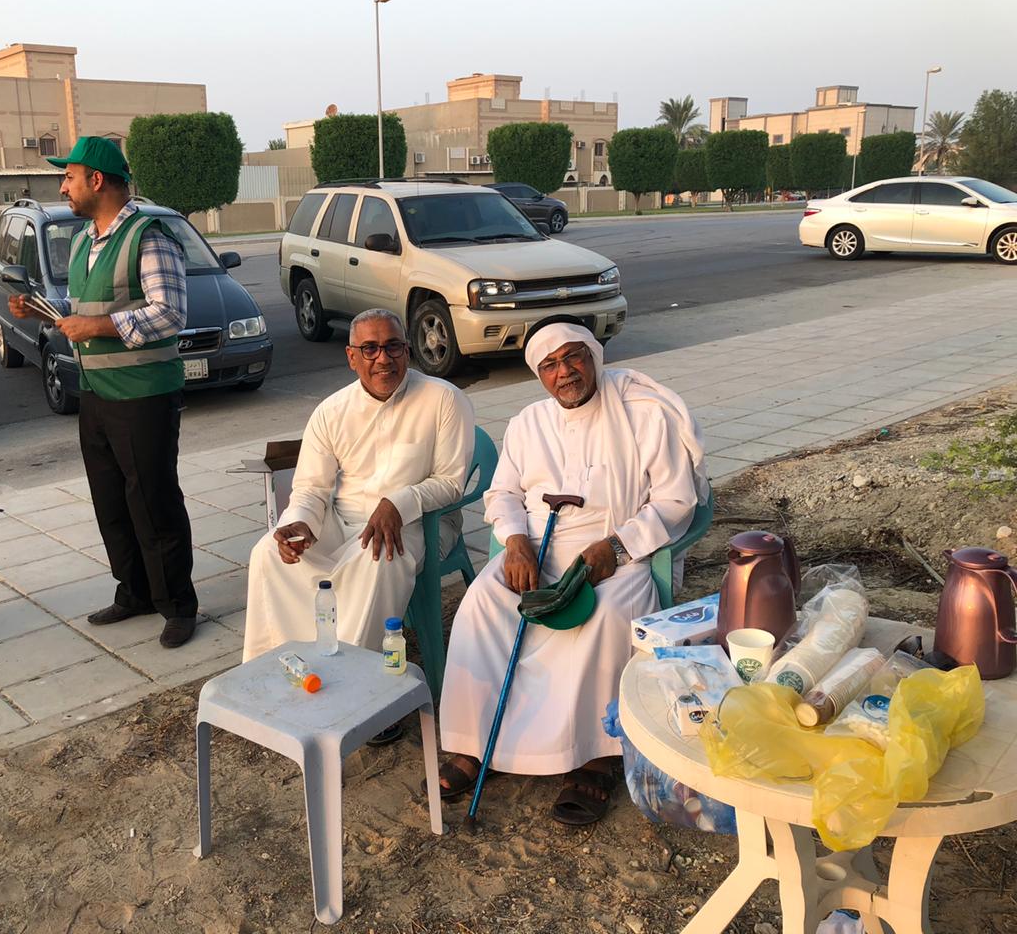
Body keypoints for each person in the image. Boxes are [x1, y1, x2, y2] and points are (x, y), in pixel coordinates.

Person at [435, 315, 708, 824]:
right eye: (550, 364)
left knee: (606, 616)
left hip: (616, 553)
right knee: (481, 604)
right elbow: (503, 493)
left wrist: (618, 546)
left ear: (593, 355)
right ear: (539, 374)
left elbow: (677, 500)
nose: (565, 372)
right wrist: (515, 541)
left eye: (573, 357)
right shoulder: (528, 422)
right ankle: (476, 742)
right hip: (537, 550)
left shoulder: (643, 414)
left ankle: (594, 755)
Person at [8, 136, 197, 648]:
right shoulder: (84, 240)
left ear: (97, 180)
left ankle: (177, 604)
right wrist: (43, 310)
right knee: (111, 501)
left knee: (153, 501)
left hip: (143, 394)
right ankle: (134, 591)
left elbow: (170, 313)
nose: (62, 187)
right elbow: (84, 306)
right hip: (96, 390)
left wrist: (98, 327)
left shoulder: (148, 236)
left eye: (68, 177)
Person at [242, 309, 474, 679]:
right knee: (268, 552)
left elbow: (450, 483)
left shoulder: (443, 399)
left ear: (407, 351)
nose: (383, 358)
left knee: (378, 557)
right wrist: (299, 522)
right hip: (343, 520)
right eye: (370, 349)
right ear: (352, 357)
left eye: (393, 347)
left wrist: (397, 503)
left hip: (419, 522)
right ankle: (280, 670)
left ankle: (354, 681)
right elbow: (311, 487)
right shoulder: (331, 411)